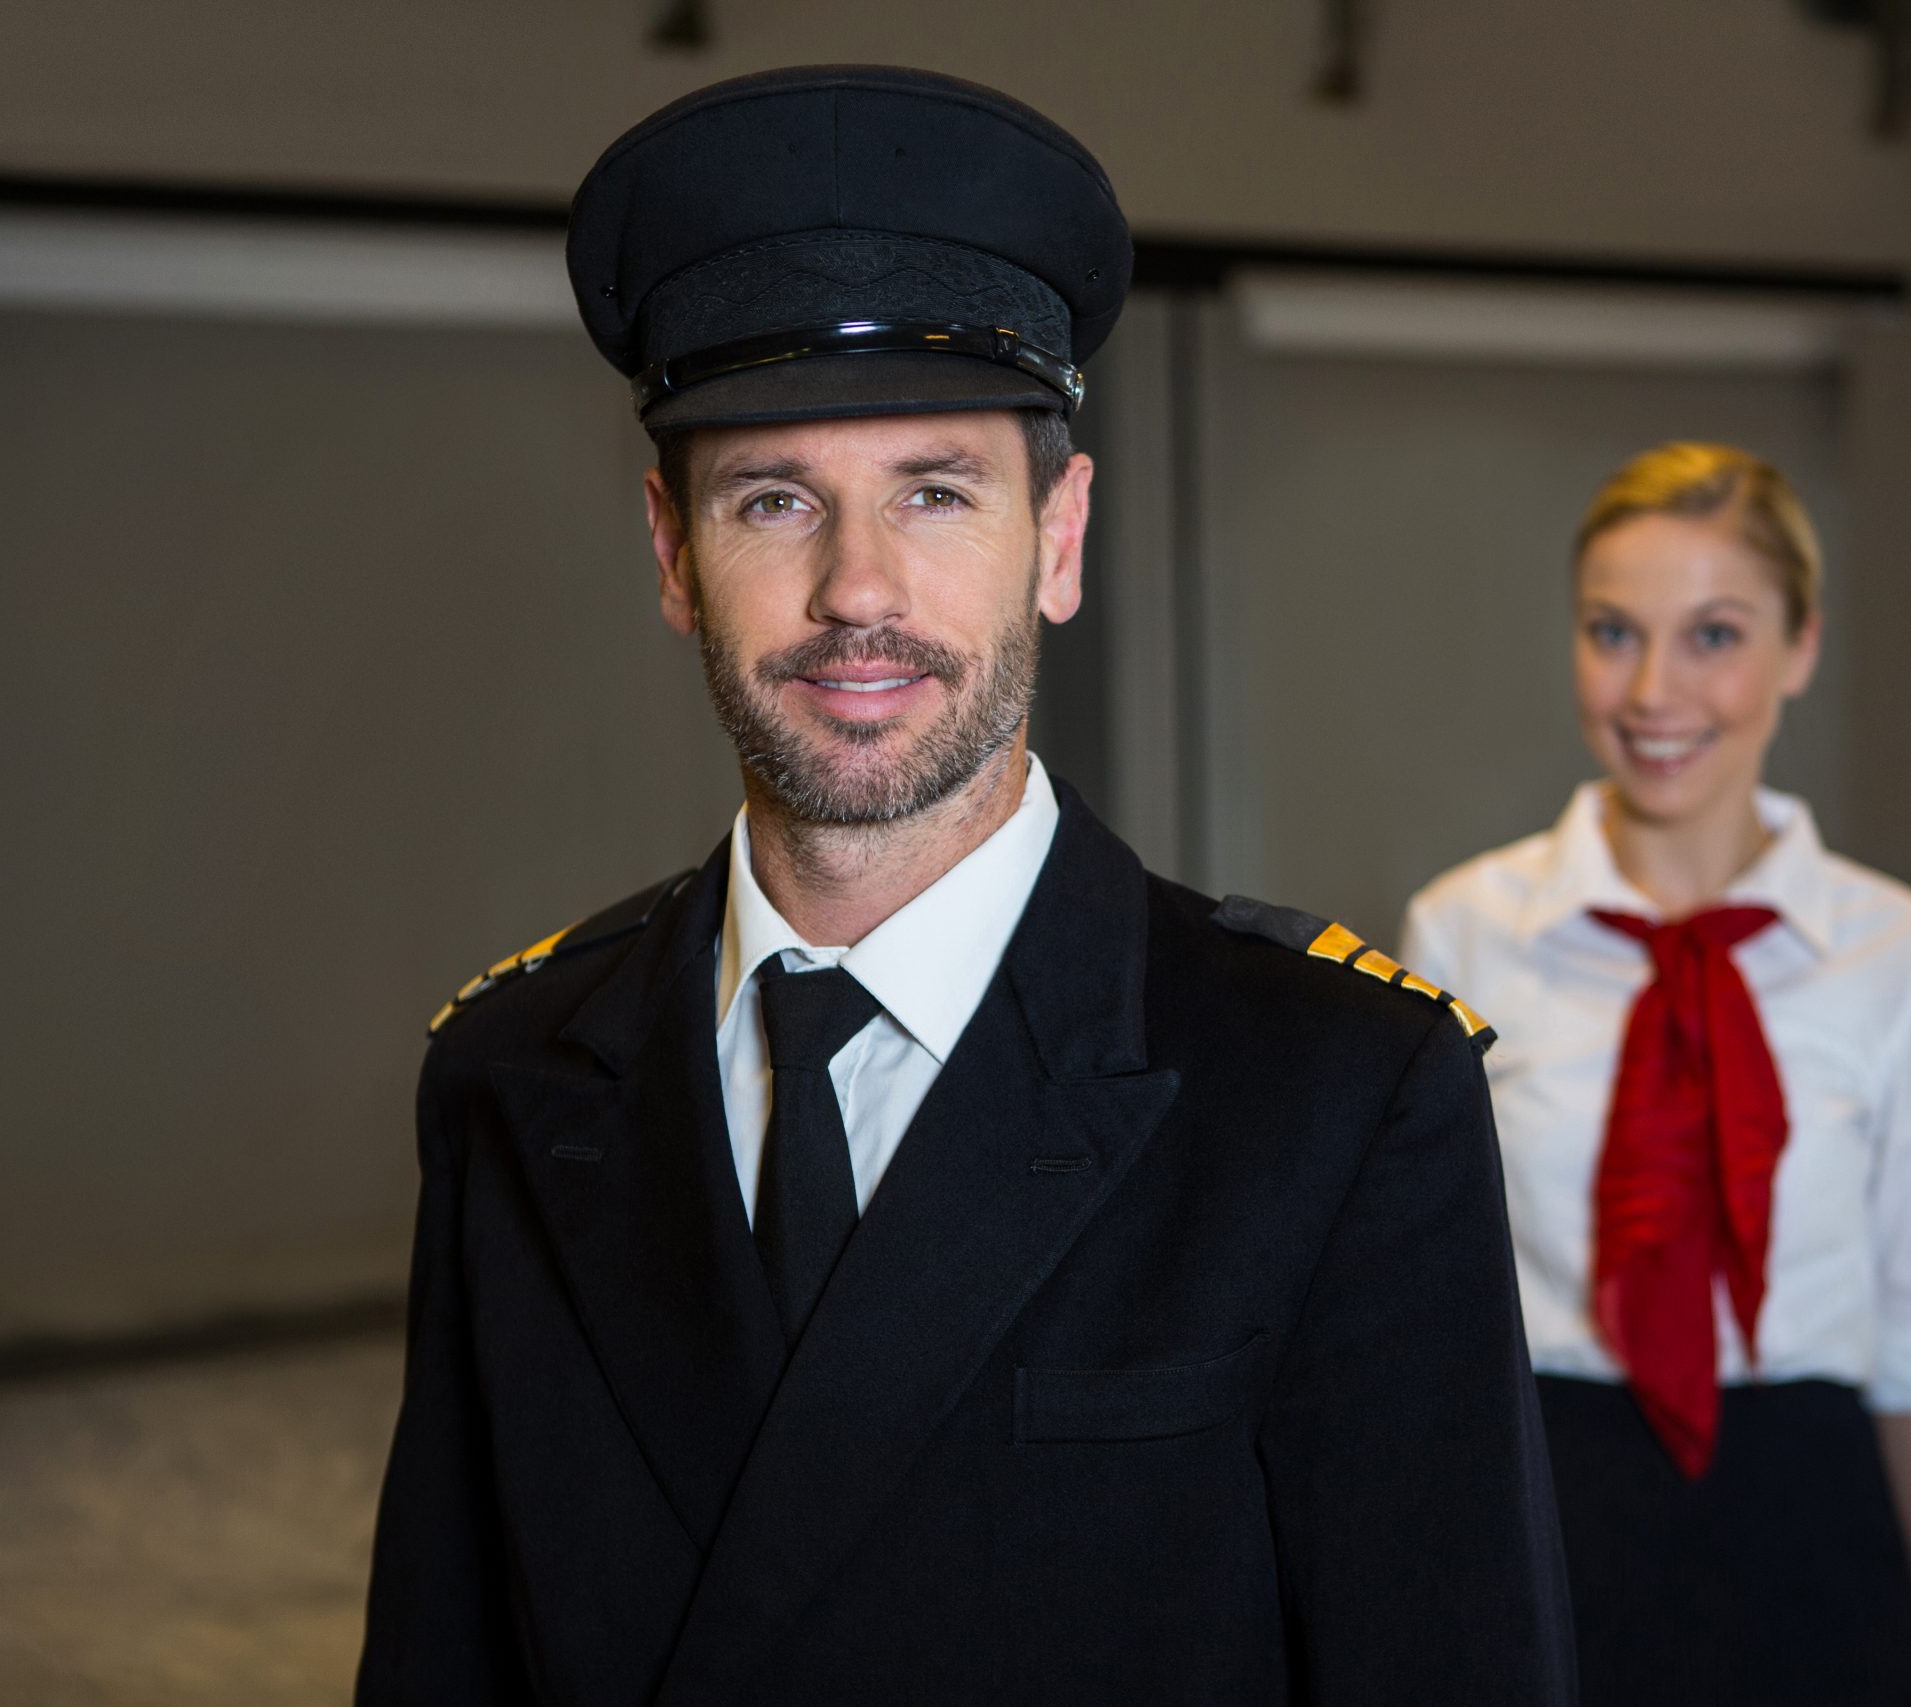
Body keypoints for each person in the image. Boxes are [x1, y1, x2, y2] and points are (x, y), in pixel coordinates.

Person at [358, 65, 1572, 1707]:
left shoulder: (1334, 1097)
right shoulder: (508, 1081)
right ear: (669, 553)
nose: (857, 589)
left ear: (1057, 538)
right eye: (773, 498)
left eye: (937, 492)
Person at [1400, 442, 1911, 1707]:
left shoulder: (1896, 952)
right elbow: (1425, 1336)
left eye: (1714, 636)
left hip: (1813, 1529)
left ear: (1800, 649)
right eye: (1612, 632)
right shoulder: (1464, 931)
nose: (1654, 691)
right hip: (1551, 1510)